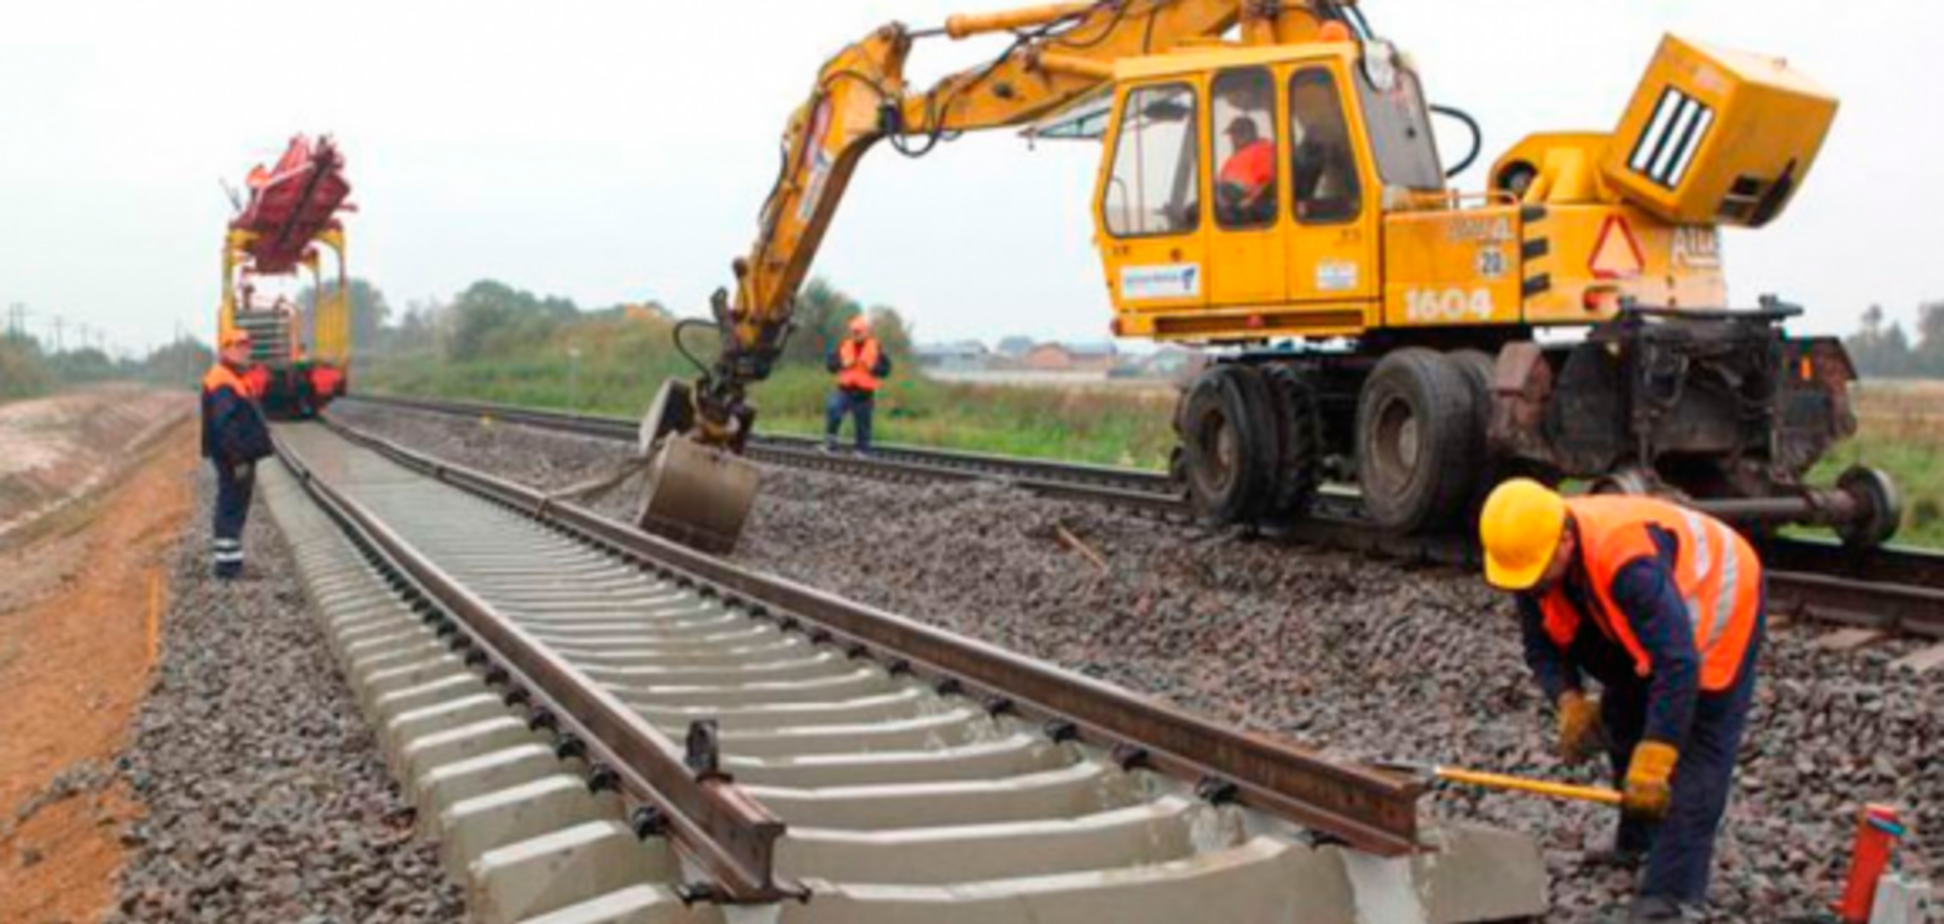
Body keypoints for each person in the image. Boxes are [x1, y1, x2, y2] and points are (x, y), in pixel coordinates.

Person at [1479, 479, 1766, 923]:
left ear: (1566, 542)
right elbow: (1541, 649)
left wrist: (1656, 758)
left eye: (1537, 577)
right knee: (1624, 714)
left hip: (1718, 595)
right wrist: (1569, 699)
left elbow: (1678, 666)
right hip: (1650, 618)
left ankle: (1671, 893)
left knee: (1698, 747)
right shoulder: (1531, 556)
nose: (1530, 588)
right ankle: (1638, 841)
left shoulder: (1626, 561)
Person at [201, 329, 275, 580]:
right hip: (234, 457)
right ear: (225, 350)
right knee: (231, 504)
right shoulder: (222, 379)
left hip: (238, 455)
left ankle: (232, 563)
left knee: (236, 504)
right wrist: (238, 459)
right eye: (238, 346)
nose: (245, 350)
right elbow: (225, 425)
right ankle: (228, 568)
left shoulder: (235, 376)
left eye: (247, 345)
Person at [824, 315, 891, 453]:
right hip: (845, 391)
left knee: (863, 427)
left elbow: (886, 370)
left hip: (864, 395)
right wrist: (842, 364)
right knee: (833, 409)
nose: (856, 334)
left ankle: (862, 451)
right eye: (854, 331)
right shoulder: (844, 345)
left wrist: (873, 367)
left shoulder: (876, 347)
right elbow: (830, 365)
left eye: (859, 331)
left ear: (867, 331)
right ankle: (830, 444)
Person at [1216, 117, 1276, 225]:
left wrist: (1248, 202)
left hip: (1246, 212)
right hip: (1230, 205)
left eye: (1236, 134)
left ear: (1248, 134)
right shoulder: (1239, 155)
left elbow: (1266, 182)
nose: (1233, 139)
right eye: (1233, 135)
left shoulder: (1262, 150)